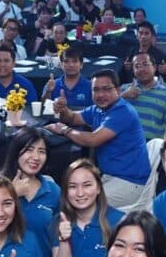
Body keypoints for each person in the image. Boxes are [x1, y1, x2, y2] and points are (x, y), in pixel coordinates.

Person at [45, 69, 151, 212]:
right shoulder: (98, 109)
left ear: (118, 90)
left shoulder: (123, 111)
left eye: (106, 89)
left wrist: (64, 130)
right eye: (96, 90)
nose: (100, 94)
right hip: (109, 176)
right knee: (72, 198)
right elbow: (72, 118)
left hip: (130, 182)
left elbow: (93, 139)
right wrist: (63, 109)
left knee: (80, 205)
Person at [0, 128, 63, 257]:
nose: (36, 157)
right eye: (29, 150)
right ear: (16, 151)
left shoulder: (52, 191)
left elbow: (56, 234)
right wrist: (11, 194)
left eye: (42, 151)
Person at [52, 159, 125, 257]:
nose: (80, 193)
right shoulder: (60, 222)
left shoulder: (120, 221)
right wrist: (64, 240)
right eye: (73, 186)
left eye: (87, 185)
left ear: (98, 188)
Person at [120, 52, 166, 142]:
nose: (141, 69)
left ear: (154, 67)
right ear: (133, 71)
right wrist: (124, 96)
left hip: (150, 145)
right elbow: (104, 109)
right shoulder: (124, 89)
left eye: (145, 64)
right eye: (137, 66)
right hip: (124, 142)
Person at [119, 21, 166, 86]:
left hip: (151, 90)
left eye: (146, 33)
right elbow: (123, 76)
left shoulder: (160, 54)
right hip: (132, 90)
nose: (143, 36)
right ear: (137, 35)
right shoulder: (131, 51)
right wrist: (126, 69)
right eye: (141, 33)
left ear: (152, 36)